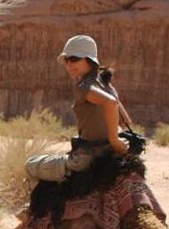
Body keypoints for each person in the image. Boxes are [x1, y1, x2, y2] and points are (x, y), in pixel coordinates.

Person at [25, 34, 135, 182]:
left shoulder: (83, 87)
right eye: (66, 60)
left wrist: (114, 140)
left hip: (86, 157)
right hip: (109, 151)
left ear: (89, 60)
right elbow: (125, 120)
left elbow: (111, 103)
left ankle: (37, 205)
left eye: (74, 59)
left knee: (30, 165)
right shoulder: (106, 84)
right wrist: (115, 142)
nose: (69, 64)